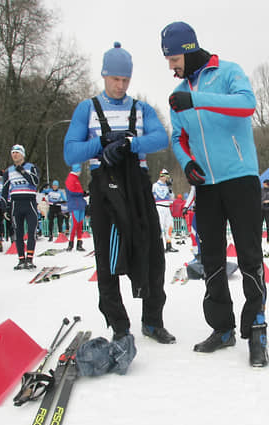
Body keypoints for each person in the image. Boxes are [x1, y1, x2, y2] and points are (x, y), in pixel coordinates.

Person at [162, 21, 268, 366]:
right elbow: (178, 137)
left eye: (173, 58)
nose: (171, 66)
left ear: (189, 50)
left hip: (240, 177)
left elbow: (247, 105)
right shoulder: (179, 94)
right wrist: (187, 162)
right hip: (206, 185)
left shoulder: (228, 72)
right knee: (210, 258)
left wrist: (197, 99)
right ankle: (221, 328)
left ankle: (257, 329)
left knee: (250, 255)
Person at [63, 41, 175, 348]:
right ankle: (119, 324)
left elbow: (159, 138)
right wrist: (102, 144)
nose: (120, 85)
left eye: (125, 80)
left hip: (137, 184)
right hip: (105, 186)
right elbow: (69, 150)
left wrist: (129, 144)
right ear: (104, 75)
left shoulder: (140, 108)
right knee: (108, 258)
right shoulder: (87, 108)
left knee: (152, 253)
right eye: (115, 79)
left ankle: (153, 320)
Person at [1, 144, 40, 270]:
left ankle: (29, 259)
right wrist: (5, 207)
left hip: (29, 202)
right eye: (13, 153)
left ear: (22, 154)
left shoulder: (31, 167)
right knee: (18, 233)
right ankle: (21, 260)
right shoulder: (8, 171)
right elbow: (5, 190)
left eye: (17, 152)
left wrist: (22, 171)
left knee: (31, 231)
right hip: (16, 203)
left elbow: (35, 182)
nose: (15, 155)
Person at [152, 168, 178, 252]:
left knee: (170, 226)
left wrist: (170, 188)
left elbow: (172, 197)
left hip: (167, 208)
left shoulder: (167, 186)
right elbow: (161, 195)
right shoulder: (155, 185)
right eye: (166, 176)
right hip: (159, 207)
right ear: (162, 176)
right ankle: (160, 246)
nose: (167, 178)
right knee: (161, 226)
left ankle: (169, 244)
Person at [63, 168, 86, 251]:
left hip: (79, 204)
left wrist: (83, 193)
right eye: (80, 170)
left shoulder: (75, 179)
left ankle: (79, 243)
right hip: (75, 204)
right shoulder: (70, 178)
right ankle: (71, 243)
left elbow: (76, 191)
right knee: (75, 225)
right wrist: (81, 193)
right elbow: (71, 191)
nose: (80, 172)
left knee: (80, 224)